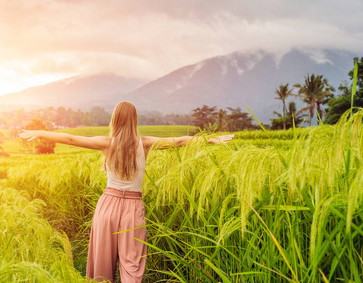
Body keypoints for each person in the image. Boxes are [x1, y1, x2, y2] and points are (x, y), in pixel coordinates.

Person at [20, 101, 234, 282]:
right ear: (135, 121)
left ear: (114, 120)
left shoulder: (106, 143)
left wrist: (39, 133)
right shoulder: (146, 143)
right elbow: (180, 141)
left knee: (101, 266)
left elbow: (70, 139)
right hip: (132, 207)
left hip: (107, 205)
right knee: (132, 266)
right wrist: (212, 139)